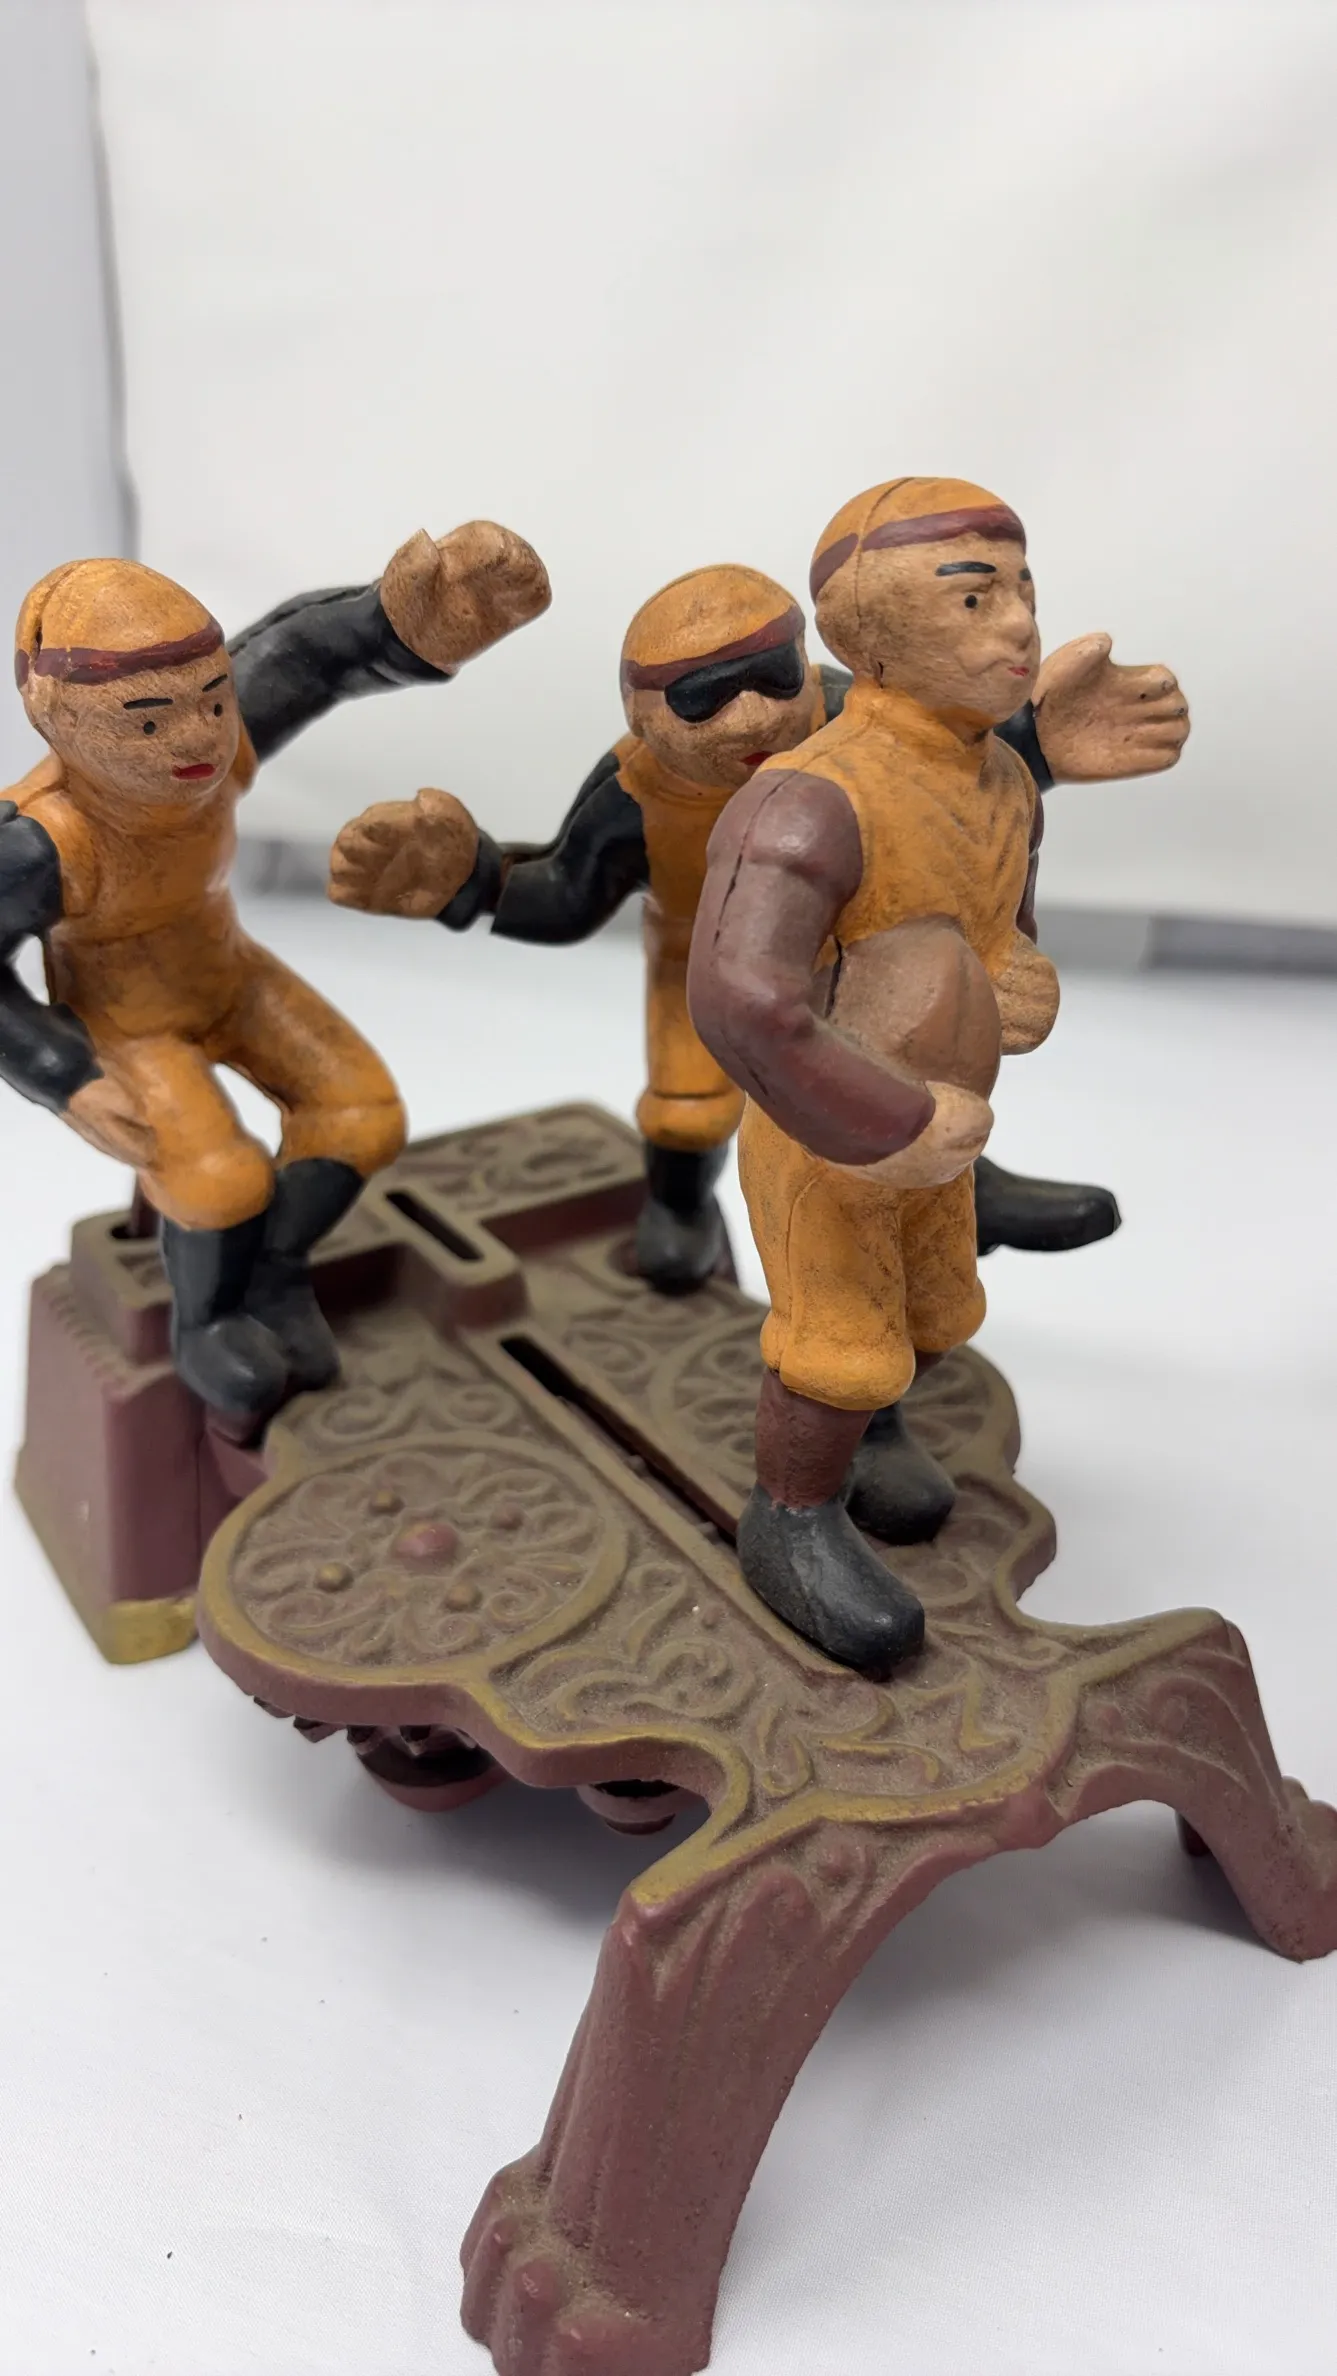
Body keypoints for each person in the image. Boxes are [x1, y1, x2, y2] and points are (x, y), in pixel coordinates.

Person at [328, 560, 1188, 1299]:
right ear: (642, 716)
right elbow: (567, 896)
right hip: (701, 964)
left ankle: (961, 1192)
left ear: (807, 666)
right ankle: (678, 1202)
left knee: (919, 1072)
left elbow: (960, 771)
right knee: (688, 1105)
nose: (747, 720)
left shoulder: (860, 724)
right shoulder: (632, 793)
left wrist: (1034, 742)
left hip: (860, 950)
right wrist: (471, 882)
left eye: (770, 679)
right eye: (701, 700)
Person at [687, 475, 1130, 1678]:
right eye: (973, 598)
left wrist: (1019, 974)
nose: (1018, 624)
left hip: (945, 1124)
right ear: (866, 637)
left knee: (934, 1317)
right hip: (827, 1133)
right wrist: (883, 1121)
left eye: (1022, 590)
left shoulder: (1005, 784)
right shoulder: (807, 800)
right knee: (839, 1343)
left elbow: (997, 926)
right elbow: (741, 1002)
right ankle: (789, 1520)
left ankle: (872, 1436)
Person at [0, 522, 549, 1427]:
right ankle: (207, 1319)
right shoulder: (43, 839)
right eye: (148, 720)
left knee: (362, 1112)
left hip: (231, 977)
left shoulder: (223, 739)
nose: (197, 739)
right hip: (126, 1024)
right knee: (221, 1180)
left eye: (213, 701)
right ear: (56, 717)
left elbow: (303, 655)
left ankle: (275, 1269)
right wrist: (65, 1075)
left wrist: (400, 625)